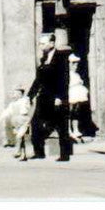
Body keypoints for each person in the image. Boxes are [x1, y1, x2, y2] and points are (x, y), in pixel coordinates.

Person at [28, 33, 72, 162]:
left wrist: (60, 96)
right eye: (40, 43)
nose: (41, 46)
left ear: (52, 43)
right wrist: (30, 95)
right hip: (44, 97)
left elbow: (64, 79)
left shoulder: (61, 58)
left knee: (61, 126)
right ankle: (39, 152)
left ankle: (65, 154)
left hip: (56, 97)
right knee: (35, 123)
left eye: (43, 43)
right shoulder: (43, 59)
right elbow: (38, 80)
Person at [68, 54, 95, 141]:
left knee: (76, 112)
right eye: (74, 64)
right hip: (71, 94)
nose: (75, 66)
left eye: (76, 64)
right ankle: (69, 130)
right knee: (69, 112)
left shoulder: (76, 75)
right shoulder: (67, 74)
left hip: (77, 95)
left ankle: (76, 129)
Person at [0, 87, 32, 160]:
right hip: (16, 122)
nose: (14, 95)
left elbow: (25, 109)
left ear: (20, 94)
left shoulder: (24, 101)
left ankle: (18, 152)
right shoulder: (13, 104)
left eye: (16, 93)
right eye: (14, 93)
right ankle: (23, 155)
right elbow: (7, 112)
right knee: (21, 138)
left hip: (23, 121)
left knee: (19, 136)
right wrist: (1, 118)